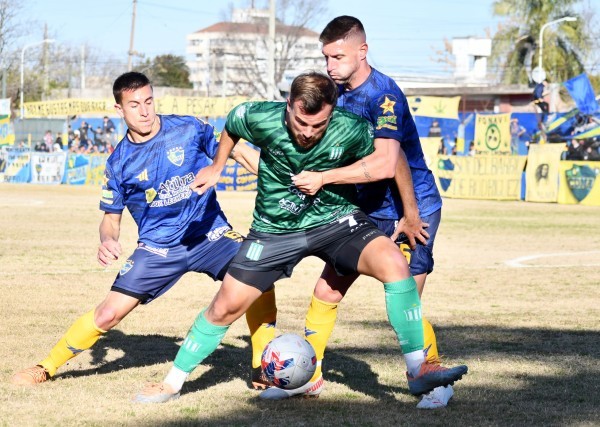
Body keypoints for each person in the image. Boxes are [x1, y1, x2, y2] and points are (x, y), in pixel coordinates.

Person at [133, 71, 467, 404]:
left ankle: (417, 371)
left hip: (336, 220)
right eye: (301, 123)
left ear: (331, 113)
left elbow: (392, 161)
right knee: (226, 305)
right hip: (274, 229)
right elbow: (233, 125)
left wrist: (410, 213)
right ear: (289, 105)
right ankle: (172, 383)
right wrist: (218, 164)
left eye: (317, 126)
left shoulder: (350, 127)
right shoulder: (259, 115)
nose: (307, 133)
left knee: (394, 264)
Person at [11, 71, 267, 386]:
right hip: (159, 249)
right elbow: (110, 219)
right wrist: (107, 240)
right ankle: (46, 366)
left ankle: (261, 366)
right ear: (119, 110)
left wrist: (273, 182)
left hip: (211, 235)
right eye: (134, 105)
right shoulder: (119, 163)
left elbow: (236, 149)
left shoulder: (188, 128)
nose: (145, 111)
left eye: (149, 101)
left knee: (257, 277)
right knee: (108, 314)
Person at [257, 16, 457, 409]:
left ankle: (434, 383)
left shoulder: (383, 96)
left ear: (362, 52)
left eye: (338, 56)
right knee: (326, 290)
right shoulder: (336, 92)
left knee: (403, 301)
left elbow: (391, 158)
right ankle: (308, 377)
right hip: (366, 208)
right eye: (326, 57)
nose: (330, 65)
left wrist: (411, 214)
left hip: (409, 210)